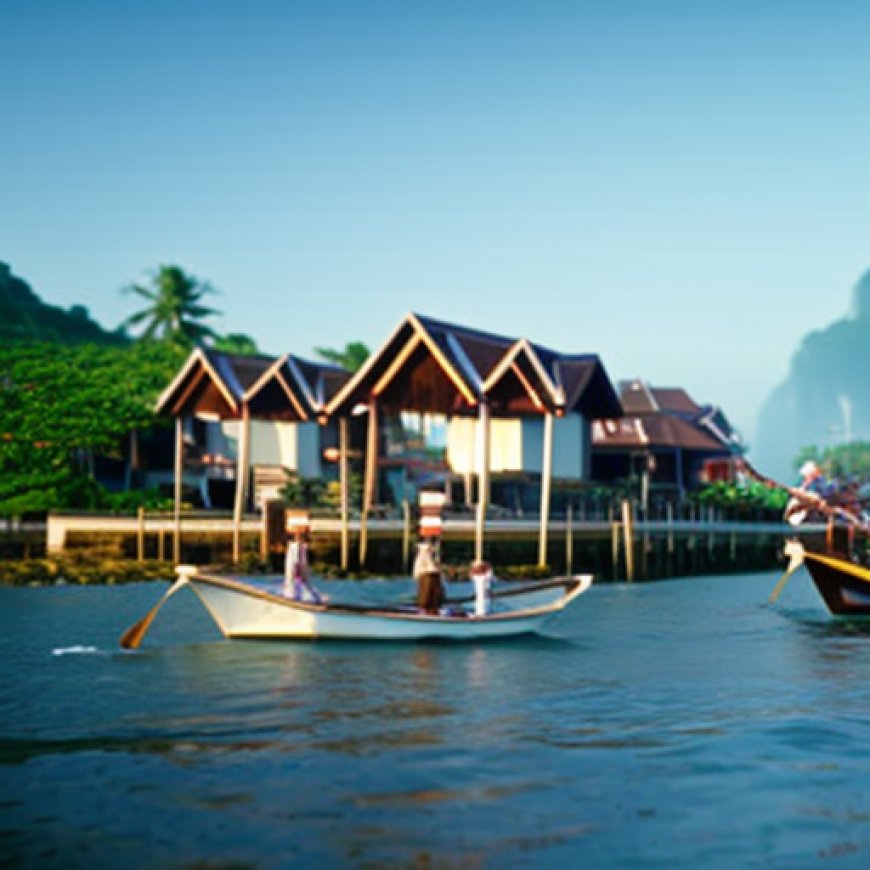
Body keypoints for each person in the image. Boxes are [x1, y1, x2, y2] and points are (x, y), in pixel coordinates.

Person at [284, 529, 324, 604]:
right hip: (296, 571)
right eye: (298, 537)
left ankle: (317, 599)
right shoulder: (294, 547)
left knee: (304, 584)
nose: (299, 539)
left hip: (300, 571)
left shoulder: (302, 547)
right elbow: (294, 561)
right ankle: (295, 597)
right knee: (295, 584)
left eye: (300, 537)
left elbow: (301, 561)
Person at [413, 541, 445, 614]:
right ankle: (427, 609)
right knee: (427, 595)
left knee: (433, 596)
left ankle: (433, 609)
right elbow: (429, 568)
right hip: (427, 577)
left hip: (431, 578)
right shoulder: (423, 556)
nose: (431, 550)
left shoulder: (429, 557)